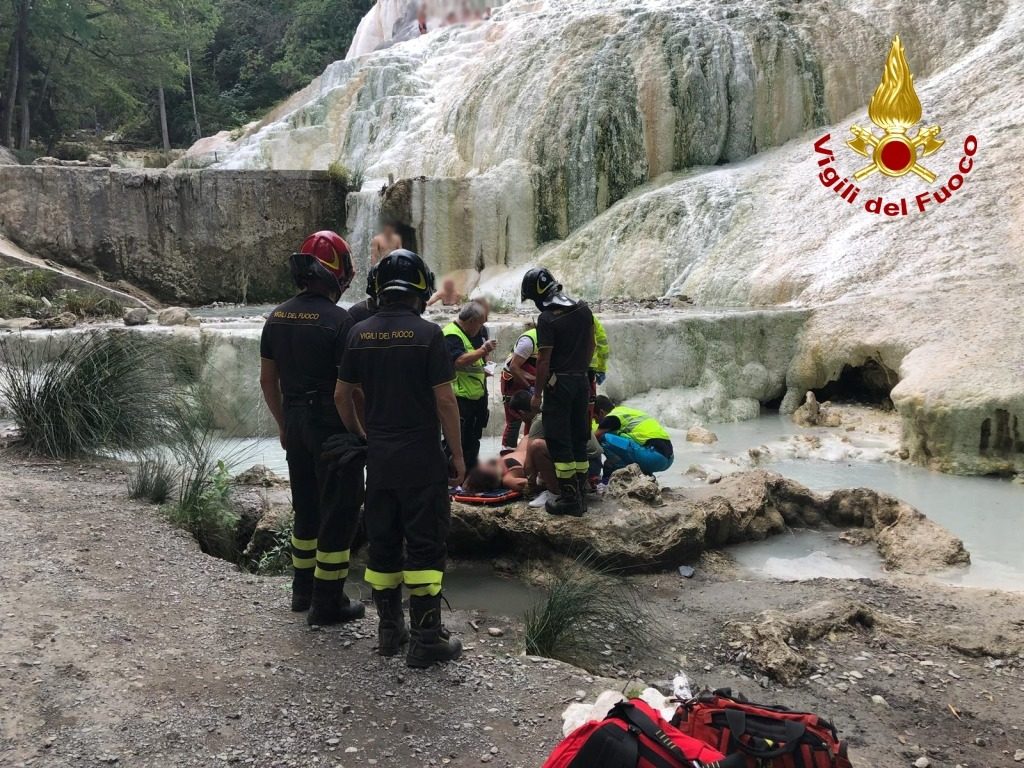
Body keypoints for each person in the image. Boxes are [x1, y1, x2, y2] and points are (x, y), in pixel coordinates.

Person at [335, 249, 465, 668]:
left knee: (384, 544)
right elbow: (445, 402)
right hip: (423, 460)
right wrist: (459, 455)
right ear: (421, 289)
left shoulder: (358, 334)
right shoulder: (429, 335)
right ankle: (427, 639)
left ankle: (390, 632)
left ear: (377, 288)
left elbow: (342, 394)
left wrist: (362, 435)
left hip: (382, 461)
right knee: (425, 546)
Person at [259, 231, 365, 626]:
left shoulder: (277, 316)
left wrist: (284, 425)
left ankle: (301, 592)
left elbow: (268, 381)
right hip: (332, 426)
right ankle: (328, 603)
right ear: (337, 272)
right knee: (339, 513)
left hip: (296, 422)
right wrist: (363, 435)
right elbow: (349, 392)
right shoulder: (341, 322)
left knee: (306, 510)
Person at [522, 267, 595, 517]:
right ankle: (581, 494)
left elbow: (544, 360)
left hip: (558, 385)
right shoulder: (583, 308)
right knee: (579, 437)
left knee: (559, 440)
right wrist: (581, 371)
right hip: (581, 381)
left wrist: (537, 394)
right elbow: (592, 345)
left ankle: (568, 498)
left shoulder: (547, 319)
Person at [506, 391, 602, 508]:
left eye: (520, 417)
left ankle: (555, 494)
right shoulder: (554, 407)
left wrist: (531, 488)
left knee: (536, 447)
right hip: (594, 464)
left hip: (586, 465)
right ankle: (580, 486)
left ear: (521, 412)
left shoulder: (539, 420)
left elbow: (529, 466)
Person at [443, 301, 496, 473]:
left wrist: (487, 362)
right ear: (471, 321)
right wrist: (482, 351)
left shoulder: (479, 331)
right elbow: (458, 361)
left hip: (478, 394)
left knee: (474, 440)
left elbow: (483, 355)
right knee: (457, 441)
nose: (482, 327)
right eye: (480, 323)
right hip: (460, 397)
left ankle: (470, 478)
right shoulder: (451, 334)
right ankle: (451, 477)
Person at [593, 395, 675, 477]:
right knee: (619, 440)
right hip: (668, 458)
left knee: (604, 438)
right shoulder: (624, 411)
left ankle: (620, 472)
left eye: (595, 418)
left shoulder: (612, 417)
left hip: (653, 457)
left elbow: (594, 438)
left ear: (601, 412)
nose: (596, 422)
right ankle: (644, 474)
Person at [499, 323, 537, 451]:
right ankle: (508, 451)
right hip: (513, 382)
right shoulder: (528, 342)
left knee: (532, 417)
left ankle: (528, 450)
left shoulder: (547, 340)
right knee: (514, 419)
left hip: (531, 382)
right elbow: (514, 367)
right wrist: (529, 386)